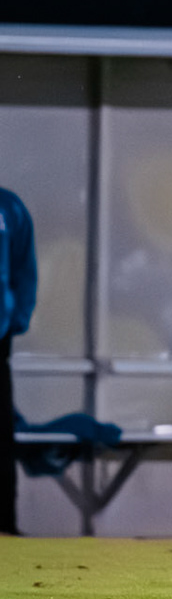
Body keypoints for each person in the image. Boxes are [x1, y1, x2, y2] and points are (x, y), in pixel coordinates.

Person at [0, 183, 35, 536]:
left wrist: (17, 319)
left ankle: (4, 526)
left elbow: (25, 268)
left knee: (1, 434)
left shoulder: (9, 207)